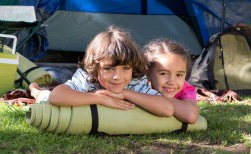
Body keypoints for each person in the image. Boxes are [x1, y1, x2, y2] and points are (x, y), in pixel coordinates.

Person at [30, 26, 174, 117]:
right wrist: (101, 98)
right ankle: (35, 90)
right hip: (72, 94)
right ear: (96, 68)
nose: (117, 77)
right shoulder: (87, 78)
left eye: (125, 68)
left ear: (132, 68)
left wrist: (124, 93)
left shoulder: (135, 81)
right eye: (108, 68)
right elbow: (57, 97)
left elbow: (167, 109)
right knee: (45, 97)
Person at [141, 38, 199, 124]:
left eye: (179, 75)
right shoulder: (140, 85)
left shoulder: (185, 89)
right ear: (148, 73)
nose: (172, 82)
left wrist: (160, 98)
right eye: (164, 74)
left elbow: (190, 116)